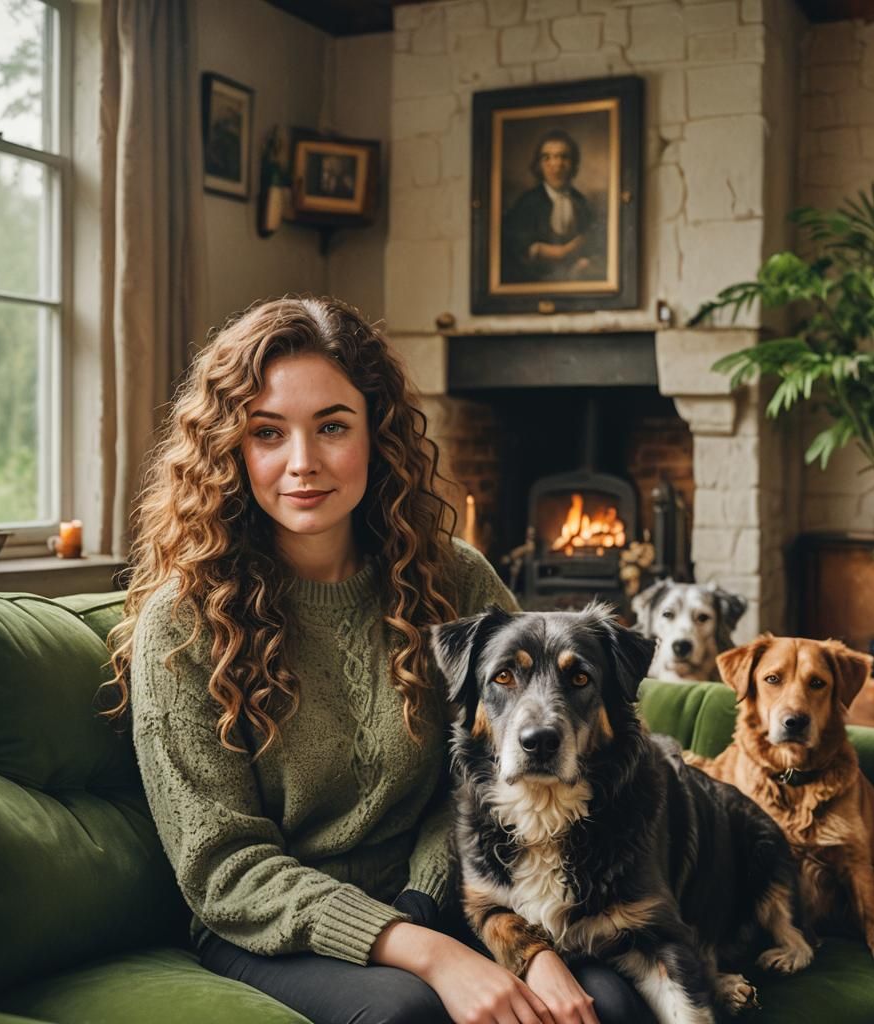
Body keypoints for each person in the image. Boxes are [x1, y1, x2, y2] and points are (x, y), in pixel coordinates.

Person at [103, 297, 653, 1024]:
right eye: (267, 432)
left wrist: (501, 936)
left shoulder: (455, 579)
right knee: (405, 1013)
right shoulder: (183, 624)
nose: (302, 463)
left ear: (378, 433)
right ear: (231, 448)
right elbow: (224, 868)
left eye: (332, 426)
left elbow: (484, 777)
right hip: (276, 926)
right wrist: (428, 952)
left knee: (610, 1001)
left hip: (451, 894)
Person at [501, 129, 599, 284]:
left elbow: (594, 245)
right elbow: (515, 249)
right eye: (547, 158)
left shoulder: (582, 203)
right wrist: (560, 252)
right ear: (539, 165)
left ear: (573, 164)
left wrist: (585, 262)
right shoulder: (527, 203)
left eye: (563, 157)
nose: (556, 165)